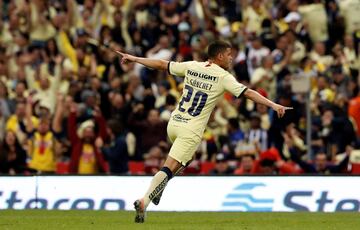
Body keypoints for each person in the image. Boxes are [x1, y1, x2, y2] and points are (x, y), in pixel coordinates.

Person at [117, 40, 292, 223]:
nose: (231, 58)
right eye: (229, 54)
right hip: (191, 129)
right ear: (220, 56)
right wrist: (273, 104)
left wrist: (134, 58)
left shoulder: (193, 66)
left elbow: (161, 64)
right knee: (169, 168)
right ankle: (145, 200)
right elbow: (247, 93)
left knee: (186, 159)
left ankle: (159, 188)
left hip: (174, 123)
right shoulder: (223, 76)